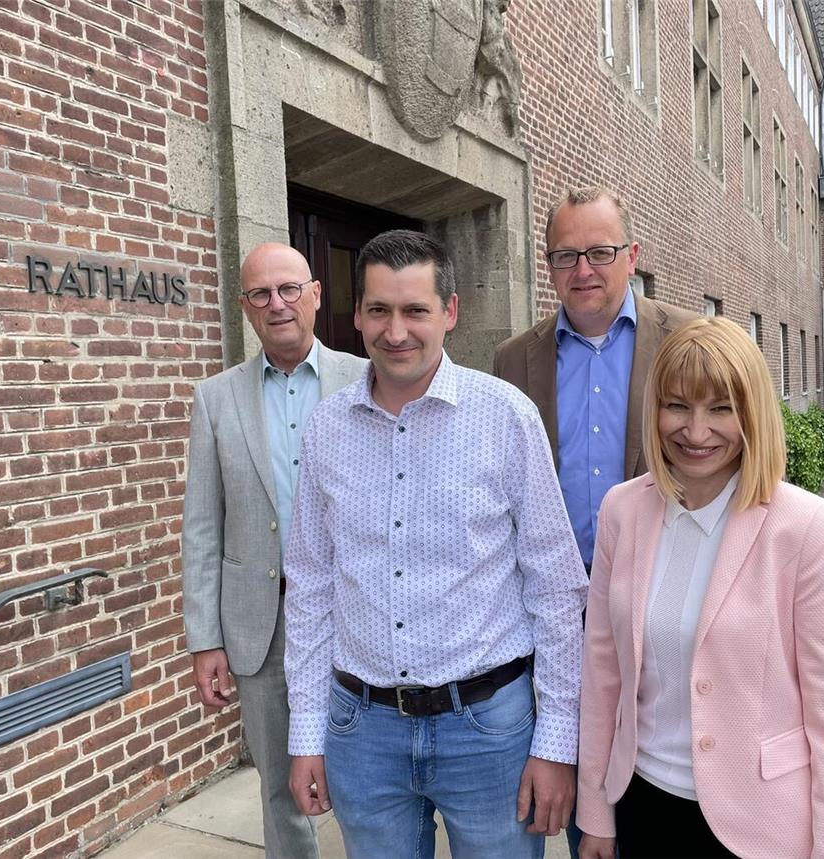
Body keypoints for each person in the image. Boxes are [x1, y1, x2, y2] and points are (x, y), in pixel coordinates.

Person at [284, 229, 588, 859]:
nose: (396, 331)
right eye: (379, 310)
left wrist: (556, 743)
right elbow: (310, 588)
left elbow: (556, 587)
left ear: (449, 312)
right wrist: (307, 734)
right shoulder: (326, 429)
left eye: (415, 310)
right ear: (359, 314)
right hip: (362, 731)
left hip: (488, 730)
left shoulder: (506, 418)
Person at [577, 317, 824, 859]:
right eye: (677, 405)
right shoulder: (623, 509)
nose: (695, 431)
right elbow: (603, 676)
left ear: (752, 413)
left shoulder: (808, 529)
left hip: (760, 827)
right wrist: (595, 813)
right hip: (642, 805)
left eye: (720, 408)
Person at [182, 242, 367, 859]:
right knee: (280, 789)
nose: (277, 304)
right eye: (260, 294)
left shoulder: (365, 377)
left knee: (372, 781)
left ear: (316, 294)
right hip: (261, 624)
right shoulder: (215, 398)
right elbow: (203, 527)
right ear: (244, 307)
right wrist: (205, 638)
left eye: (289, 289)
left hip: (357, 615)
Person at [494, 186, 698, 574]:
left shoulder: (690, 339)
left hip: (666, 580)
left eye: (601, 253)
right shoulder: (513, 360)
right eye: (566, 256)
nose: (583, 271)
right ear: (549, 264)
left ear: (632, 257)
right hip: (556, 593)